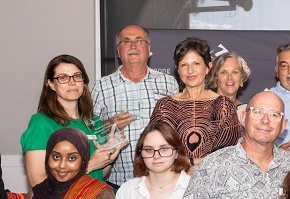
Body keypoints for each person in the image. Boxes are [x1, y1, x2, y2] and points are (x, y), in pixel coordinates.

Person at [92, 25, 179, 184]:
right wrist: (109, 125)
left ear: (149, 48)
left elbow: (178, 130)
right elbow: (89, 135)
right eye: (126, 41)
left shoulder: (169, 83)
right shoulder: (101, 87)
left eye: (139, 41)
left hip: (163, 182)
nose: (133, 46)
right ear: (119, 51)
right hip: (117, 183)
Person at [21, 54, 125, 186]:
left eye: (77, 76)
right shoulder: (41, 123)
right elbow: (38, 182)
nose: (72, 82)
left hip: (96, 198)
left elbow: (98, 176)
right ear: (51, 84)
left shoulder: (94, 122)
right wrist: (90, 165)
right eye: (63, 77)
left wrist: (109, 157)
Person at [150, 37, 242, 165]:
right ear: (178, 70)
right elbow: (153, 148)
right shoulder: (164, 106)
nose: (190, 71)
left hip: (212, 179)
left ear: (208, 67)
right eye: (184, 65)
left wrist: (191, 164)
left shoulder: (224, 106)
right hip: (171, 179)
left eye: (196, 64)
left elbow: (227, 153)